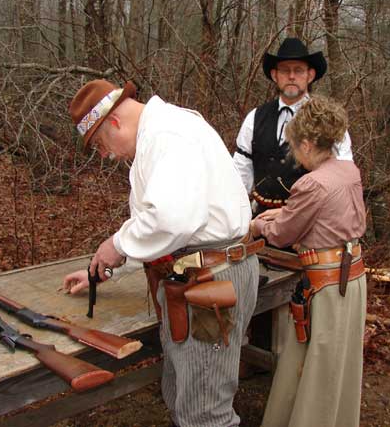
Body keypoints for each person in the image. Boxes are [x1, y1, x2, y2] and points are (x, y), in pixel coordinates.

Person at [62, 79, 264, 427]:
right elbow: (164, 229)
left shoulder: (168, 136)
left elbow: (171, 221)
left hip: (209, 283)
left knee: (205, 412)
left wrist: (117, 245)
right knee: (184, 396)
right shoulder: (161, 133)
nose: (105, 155)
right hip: (199, 273)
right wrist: (108, 267)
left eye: (99, 145)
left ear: (113, 123)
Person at [250, 96, 367, 427]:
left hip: (326, 286)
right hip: (351, 280)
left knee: (320, 364)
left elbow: (283, 234)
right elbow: (322, 219)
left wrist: (259, 224)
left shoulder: (312, 183)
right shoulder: (348, 171)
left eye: (294, 148)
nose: (294, 156)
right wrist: (283, 213)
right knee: (337, 361)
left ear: (305, 143)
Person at [233, 37, 353, 214]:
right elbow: (240, 172)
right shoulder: (255, 118)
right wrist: (237, 214)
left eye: (298, 70)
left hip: (310, 223)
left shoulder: (328, 121)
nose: (291, 76)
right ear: (275, 75)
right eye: (285, 70)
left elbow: (342, 175)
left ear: (310, 75)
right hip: (260, 221)